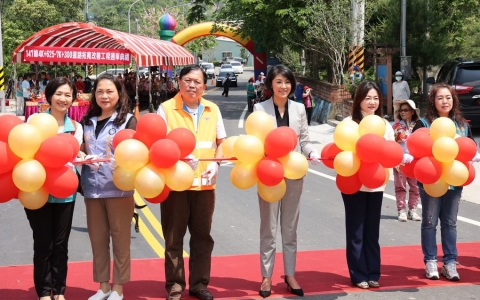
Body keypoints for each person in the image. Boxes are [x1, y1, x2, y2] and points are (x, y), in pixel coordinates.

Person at [156, 65, 226, 300]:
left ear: (204, 86)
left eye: (197, 81)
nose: (192, 85)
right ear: (179, 82)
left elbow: (221, 142)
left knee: (202, 237)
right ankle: (175, 286)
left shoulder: (213, 109)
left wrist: (216, 163)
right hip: (175, 185)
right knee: (174, 237)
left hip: (205, 186)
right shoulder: (166, 109)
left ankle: (199, 285)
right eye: (187, 80)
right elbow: (157, 146)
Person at [253, 65, 321, 298]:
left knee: (290, 227)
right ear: (270, 84)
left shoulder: (300, 108)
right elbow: (255, 143)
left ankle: (290, 274)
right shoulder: (259, 108)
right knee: (268, 228)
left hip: (293, 174)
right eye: (279, 82)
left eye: (287, 82)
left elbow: (304, 140)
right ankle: (266, 276)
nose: (283, 86)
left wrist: (311, 152)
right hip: (269, 175)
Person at [24, 77, 83, 300]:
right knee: (43, 245)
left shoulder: (76, 128)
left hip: (65, 195)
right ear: (49, 96)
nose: (63, 99)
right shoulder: (35, 123)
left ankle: (58, 290)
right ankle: (43, 292)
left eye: (68, 95)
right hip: (38, 192)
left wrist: (82, 157)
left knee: (60, 245)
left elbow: (75, 156)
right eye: (58, 94)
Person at [80, 73, 137, 300]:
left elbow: (137, 152)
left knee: (121, 239)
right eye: (100, 91)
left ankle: (118, 288)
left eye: (109, 91)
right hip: (92, 189)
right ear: (95, 94)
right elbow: (81, 147)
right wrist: (82, 155)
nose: (104, 96)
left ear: (119, 93)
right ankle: (103, 287)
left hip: (119, 188)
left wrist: (121, 162)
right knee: (98, 238)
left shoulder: (128, 120)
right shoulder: (87, 120)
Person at [411, 83, 476, 282]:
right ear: (433, 101)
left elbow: (470, 150)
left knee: (450, 222)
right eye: (440, 97)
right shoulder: (423, 123)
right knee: (430, 222)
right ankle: (430, 261)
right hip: (431, 181)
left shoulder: (462, 125)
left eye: (448, 97)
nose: (445, 101)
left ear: (453, 100)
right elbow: (413, 149)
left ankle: (449, 263)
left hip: (455, 181)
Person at [341, 81, 394, 290]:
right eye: (367, 98)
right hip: (353, 183)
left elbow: (390, 152)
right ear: (359, 100)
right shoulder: (349, 123)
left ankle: (373, 273)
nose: (372, 102)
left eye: (375, 98)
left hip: (376, 184)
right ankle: (358, 274)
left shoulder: (384, 124)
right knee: (356, 231)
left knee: (372, 232)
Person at [392, 99, 421, 222]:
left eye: (405, 110)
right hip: (401, 160)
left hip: (415, 161)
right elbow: (392, 145)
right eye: (401, 110)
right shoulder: (396, 127)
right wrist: (395, 160)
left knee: (416, 187)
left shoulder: (419, 126)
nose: (403, 112)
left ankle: (413, 209)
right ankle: (401, 210)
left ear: (412, 112)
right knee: (400, 186)